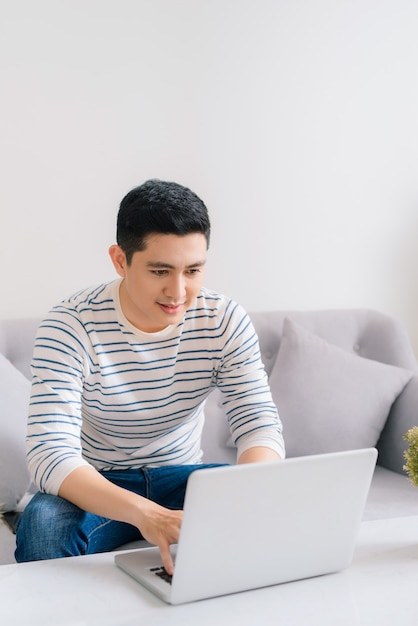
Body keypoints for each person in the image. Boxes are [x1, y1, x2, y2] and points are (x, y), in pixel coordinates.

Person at [15, 179, 285, 574]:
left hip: (183, 477)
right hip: (96, 483)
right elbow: (50, 456)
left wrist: (252, 494)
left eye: (193, 270)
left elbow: (259, 426)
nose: (178, 291)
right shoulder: (70, 324)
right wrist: (146, 514)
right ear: (120, 260)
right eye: (160, 270)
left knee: (275, 506)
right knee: (43, 526)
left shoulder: (223, 320)